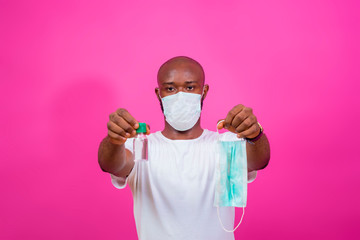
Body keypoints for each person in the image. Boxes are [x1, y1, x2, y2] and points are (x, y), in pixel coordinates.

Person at [98, 56, 270, 240]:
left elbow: (259, 160)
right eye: (170, 88)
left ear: (203, 92)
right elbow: (111, 164)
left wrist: (255, 134)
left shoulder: (227, 145)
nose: (180, 95)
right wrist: (114, 140)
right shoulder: (140, 146)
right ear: (159, 94)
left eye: (189, 87)